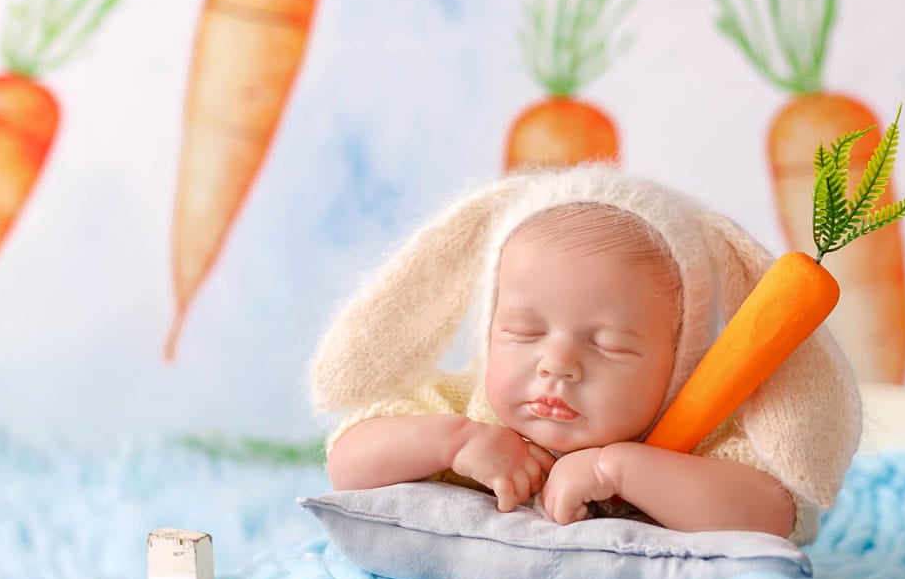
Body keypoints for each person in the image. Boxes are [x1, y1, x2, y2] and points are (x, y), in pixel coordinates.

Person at [310, 165, 862, 546]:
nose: (557, 364)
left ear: (680, 359)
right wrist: (452, 441)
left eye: (610, 344)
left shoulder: (694, 438)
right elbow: (346, 461)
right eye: (524, 331)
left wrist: (620, 469)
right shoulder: (467, 411)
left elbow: (771, 515)